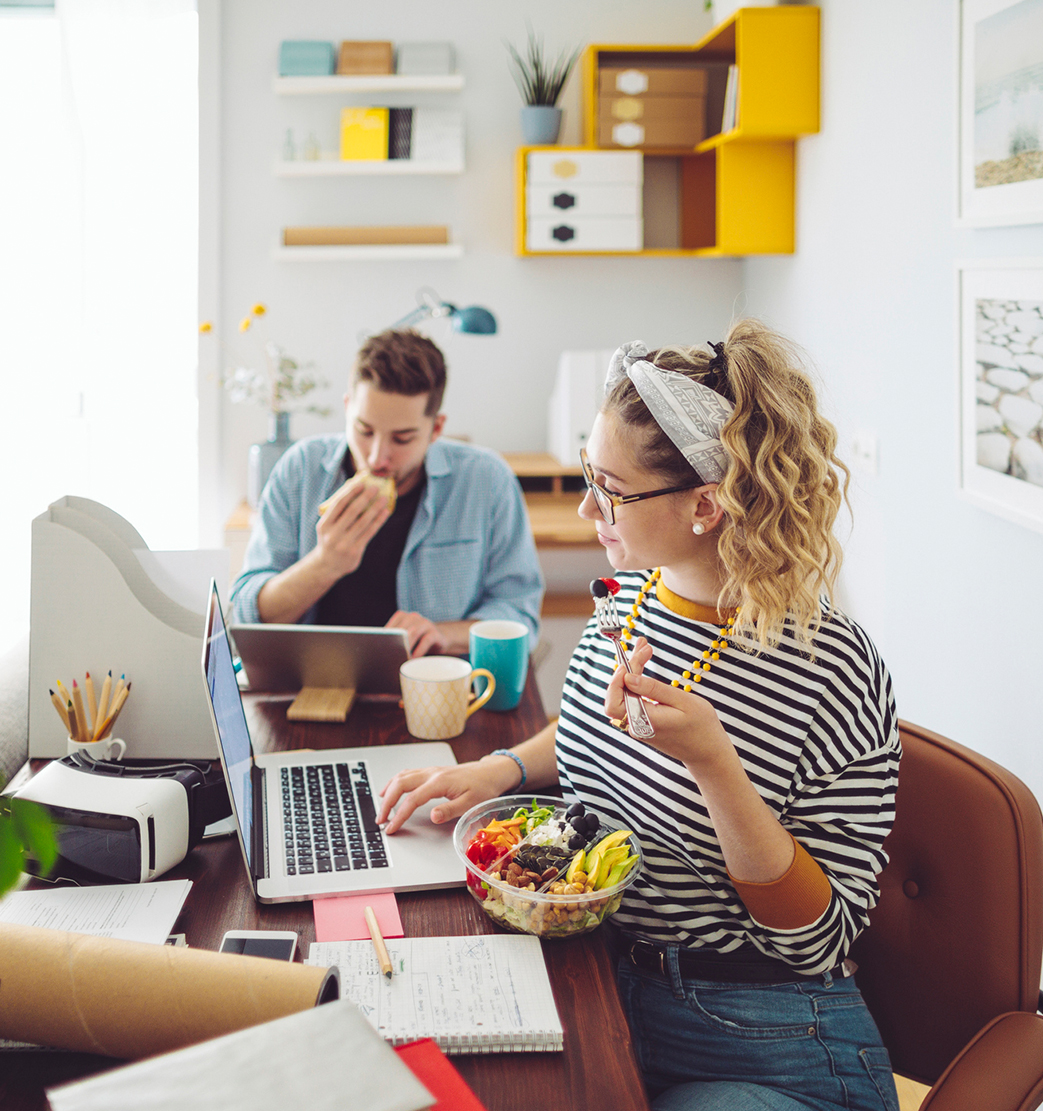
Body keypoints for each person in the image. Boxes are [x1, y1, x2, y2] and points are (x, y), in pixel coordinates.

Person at [377, 320, 901, 1111]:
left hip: (764, 1034)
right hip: (612, 977)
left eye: (611, 490)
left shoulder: (830, 666)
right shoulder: (633, 596)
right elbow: (591, 729)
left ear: (706, 504)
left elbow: (815, 938)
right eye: (590, 474)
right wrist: (495, 768)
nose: (589, 505)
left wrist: (713, 764)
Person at [230, 330, 543, 657]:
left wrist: (442, 634)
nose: (377, 457)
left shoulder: (486, 481)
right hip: (315, 686)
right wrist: (325, 564)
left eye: (402, 439)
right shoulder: (300, 469)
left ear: (436, 428)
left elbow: (519, 614)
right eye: (364, 430)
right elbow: (248, 615)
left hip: (437, 686)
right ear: (348, 407)